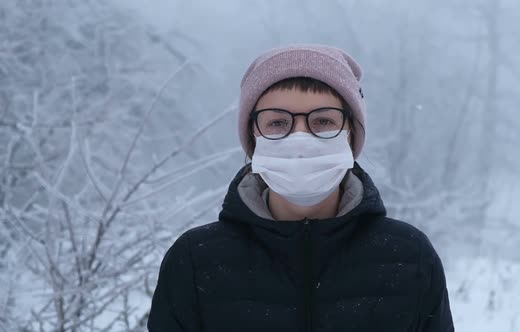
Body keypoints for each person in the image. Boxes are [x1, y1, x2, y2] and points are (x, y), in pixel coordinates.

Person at [147, 44, 454, 332]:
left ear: (351, 135)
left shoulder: (409, 256)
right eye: (278, 123)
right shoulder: (195, 261)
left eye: (323, 121)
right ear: (253, 139)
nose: (300, 140)